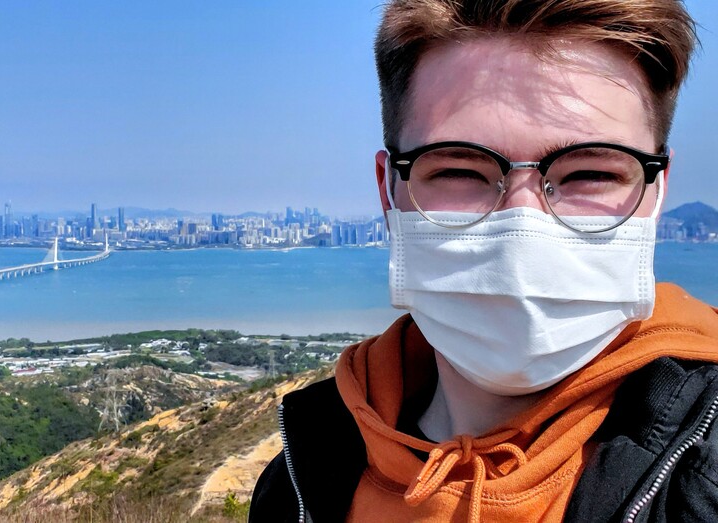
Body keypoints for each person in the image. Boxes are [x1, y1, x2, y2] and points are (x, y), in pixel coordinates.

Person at [250, 1, 718, 522]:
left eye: (591, 174)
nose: (523, 228)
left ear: (657, 190)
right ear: (388, 190)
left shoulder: (703, 479)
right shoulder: (303, 471)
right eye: (460, 171)